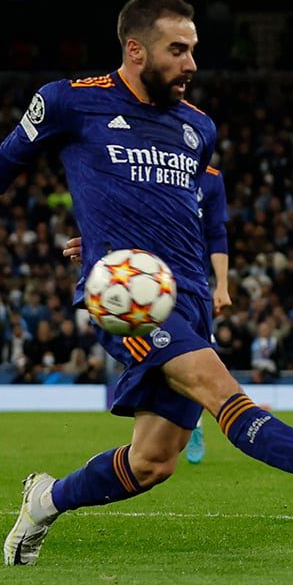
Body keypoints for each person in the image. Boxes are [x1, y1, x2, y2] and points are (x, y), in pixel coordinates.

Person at [0, 0, 293, 566]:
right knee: (219, 389)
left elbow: (180, 205)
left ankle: (44, 500)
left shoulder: (198, 127)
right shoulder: (68, 102)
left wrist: (105, 227)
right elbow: (2, 163)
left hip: (192, 300)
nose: (191, 64)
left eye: (193, 50)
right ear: (135, 50)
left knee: (152, 462)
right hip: (132, 303)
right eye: (177, 51)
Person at [61, 160, 230, 464]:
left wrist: (222, 285)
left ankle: (194, 422)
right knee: (175, 359)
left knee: (198, 358)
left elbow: (216, 234)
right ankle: (186, 424)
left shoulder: (212, 179)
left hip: (193, 287)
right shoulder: (144, 164)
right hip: (146, 286)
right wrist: (99, 250)